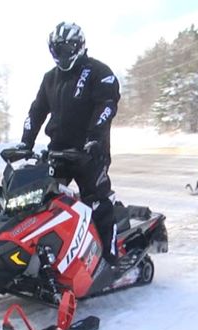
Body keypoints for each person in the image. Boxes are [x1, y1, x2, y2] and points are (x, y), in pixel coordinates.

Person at [17, 22, 121, 264]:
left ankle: (110, 257)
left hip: (90, 153)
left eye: (66, 48)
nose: (62, 54)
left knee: (96, 201)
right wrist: (25, 143)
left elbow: (106, 106)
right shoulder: (50, 78)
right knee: (39, 201)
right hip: (57, 153)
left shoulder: (99, 72)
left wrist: (94, 138)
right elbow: (36, 111)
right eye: (57, 50)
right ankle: (43, 256)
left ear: (79, 46)